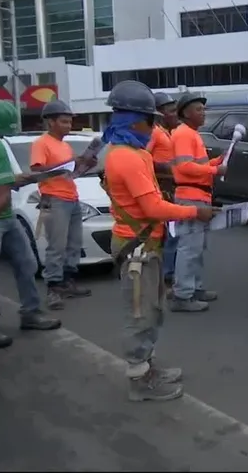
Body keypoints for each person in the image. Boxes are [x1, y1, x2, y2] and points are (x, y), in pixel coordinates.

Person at [100, 80, 217, 401]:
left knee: (151, 309)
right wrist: (195, 211)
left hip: (144, 244)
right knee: (140, 314)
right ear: (134, 120)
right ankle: (139, 379)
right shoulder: (127, 157)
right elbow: (152, 207)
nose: (154, 126)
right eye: (151, 120)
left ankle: (147, 366)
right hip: (137, 246)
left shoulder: (129, 152)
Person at [0, 100, 61, 349]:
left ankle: (31, 313)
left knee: (27, 262)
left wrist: (18, 179)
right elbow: (0, 192)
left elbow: (1, 183)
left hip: (6, 216)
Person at [31, 99, 93, 310]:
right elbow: (38, 171)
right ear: (50, 122)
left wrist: (84, 165)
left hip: (71, 197)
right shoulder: (42, 143)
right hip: (54, 199)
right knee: (56, 246)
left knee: (73, 244)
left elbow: (68, 174)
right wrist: (67, 163)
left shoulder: (64, 145)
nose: (68, 126)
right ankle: (53, 288)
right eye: (64, 122)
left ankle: (67, 281)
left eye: (69, 122)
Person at [170, 92, 225, 312]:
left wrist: (214, 163)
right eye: (198, 109)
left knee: (197, 248)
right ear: (185, 113)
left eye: (203, 109)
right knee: (190, 248)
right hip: (191, 196)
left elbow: (193, 165)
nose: (203, 113)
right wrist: (214, 169)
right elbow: (184, 168)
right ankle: (183, 295)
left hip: (198, 195)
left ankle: (194, 289)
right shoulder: (184, 134)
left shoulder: (190, 134)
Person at [147, 92, 179, 289]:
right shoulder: (155, 132)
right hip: (164, 187)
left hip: (172, 186)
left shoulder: (168, 132)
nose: (175, 114)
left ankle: (169, 272)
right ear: (160, 113)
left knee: (173, 233)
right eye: (171, 111)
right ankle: (167, 275)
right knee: (171, 233)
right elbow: (144, 157)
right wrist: (165, 167)